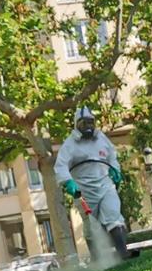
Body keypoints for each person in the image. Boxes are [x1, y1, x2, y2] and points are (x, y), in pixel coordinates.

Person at [54, 106, 130, 259]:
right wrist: (68, 182)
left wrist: (115, 170)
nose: (88, 127)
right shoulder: (69, 145)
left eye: (91, 123)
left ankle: (123, 254)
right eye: (84, 123)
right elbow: (61, 166)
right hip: (83, 192)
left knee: (113, 215)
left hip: (105, 185)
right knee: (90, 226)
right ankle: (97, 261)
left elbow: (112, 157)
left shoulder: (102, 139)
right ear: (77, 125)